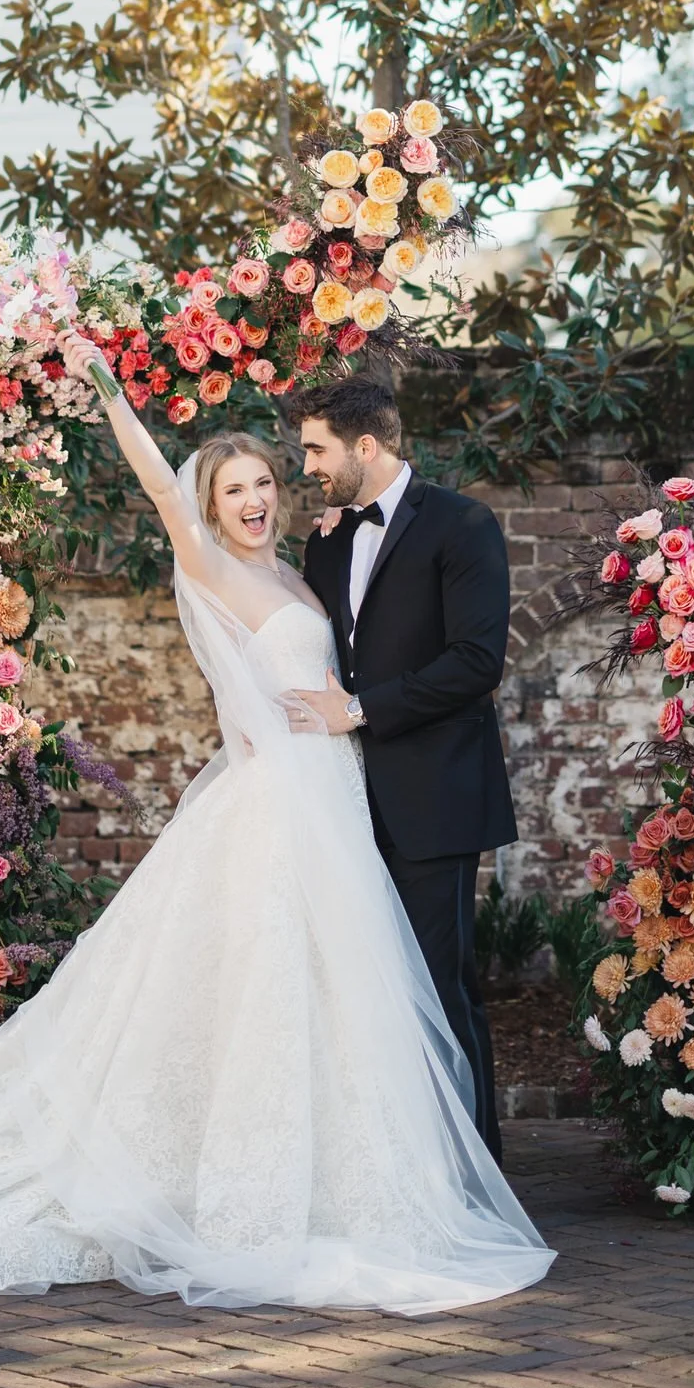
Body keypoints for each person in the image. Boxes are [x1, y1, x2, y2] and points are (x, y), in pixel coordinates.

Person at [0, 348, 551, 1316]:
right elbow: (157, 485)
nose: (265, 494)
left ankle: (408, 1179)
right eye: (239, 487)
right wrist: (105, 389)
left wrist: (351, 711)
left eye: (271, 477)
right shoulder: (214, 564)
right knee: (266, 996)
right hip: (276, 812)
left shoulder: (320, 558)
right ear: (211, 504)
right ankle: (256, 1191)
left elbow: (426, 661)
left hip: (345, 802)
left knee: (371, 998)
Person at [284, 375, 515, 1161]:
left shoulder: (463, 525)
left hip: (433, 793)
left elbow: (476, 661)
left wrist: (361, 709)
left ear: (366, 446)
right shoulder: (327, 536)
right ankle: (391, 1164)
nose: (307, 464)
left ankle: (473, 1169)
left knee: (438, 986)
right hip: (342, 799)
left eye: (317, 449)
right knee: (364, 988)